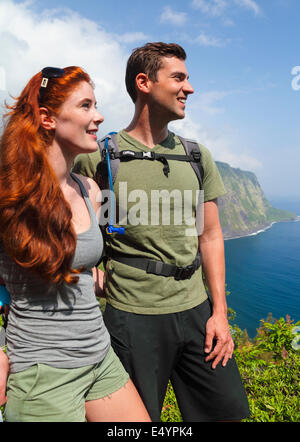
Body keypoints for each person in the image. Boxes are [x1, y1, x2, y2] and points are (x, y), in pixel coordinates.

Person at [73, 42, 250, 422]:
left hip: (196, 312)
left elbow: (211, 236)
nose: (189, 88)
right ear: (144, 82)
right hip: (131, 316)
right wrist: (88, 274)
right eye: (179, 78)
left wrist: (220, 313)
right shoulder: (100, 156)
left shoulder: (197, 156)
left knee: (228, 411)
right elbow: (65, 227)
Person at [0, 66, 151, 422]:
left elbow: (77, 265)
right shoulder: (9, 194)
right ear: (47, 118)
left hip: (100, 356)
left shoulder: (90, 190)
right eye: (85, 106)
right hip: (43, 372)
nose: (98, 116)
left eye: (95, 105)